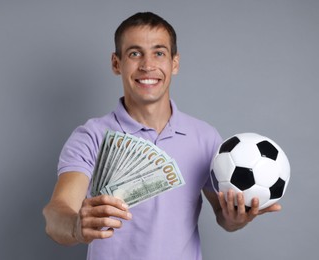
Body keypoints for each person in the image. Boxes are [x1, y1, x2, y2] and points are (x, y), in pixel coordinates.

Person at [43, 12, 281, 260]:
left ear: (174, 63)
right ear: (116, 63)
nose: (147, 65)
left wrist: (237, 219)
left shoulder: (205, 137)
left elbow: (224, 218)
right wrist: (75, 227)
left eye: (159, 53)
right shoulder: (91, 136)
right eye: (135, 53)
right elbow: (56, 213)